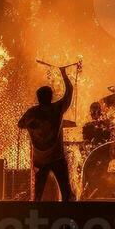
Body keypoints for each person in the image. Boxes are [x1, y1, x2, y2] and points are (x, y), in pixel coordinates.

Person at [18, 63, 78, 202]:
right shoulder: (56, 109)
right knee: (66, 192)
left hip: (40, 160)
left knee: (37, 194)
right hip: (57, 158)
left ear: (38, 98)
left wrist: (32, 125)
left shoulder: (31, 112)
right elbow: (69, 92)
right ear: (50, 97)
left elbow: (20, 124)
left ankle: (35, 216)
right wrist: (63, 74)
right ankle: (67, 216)